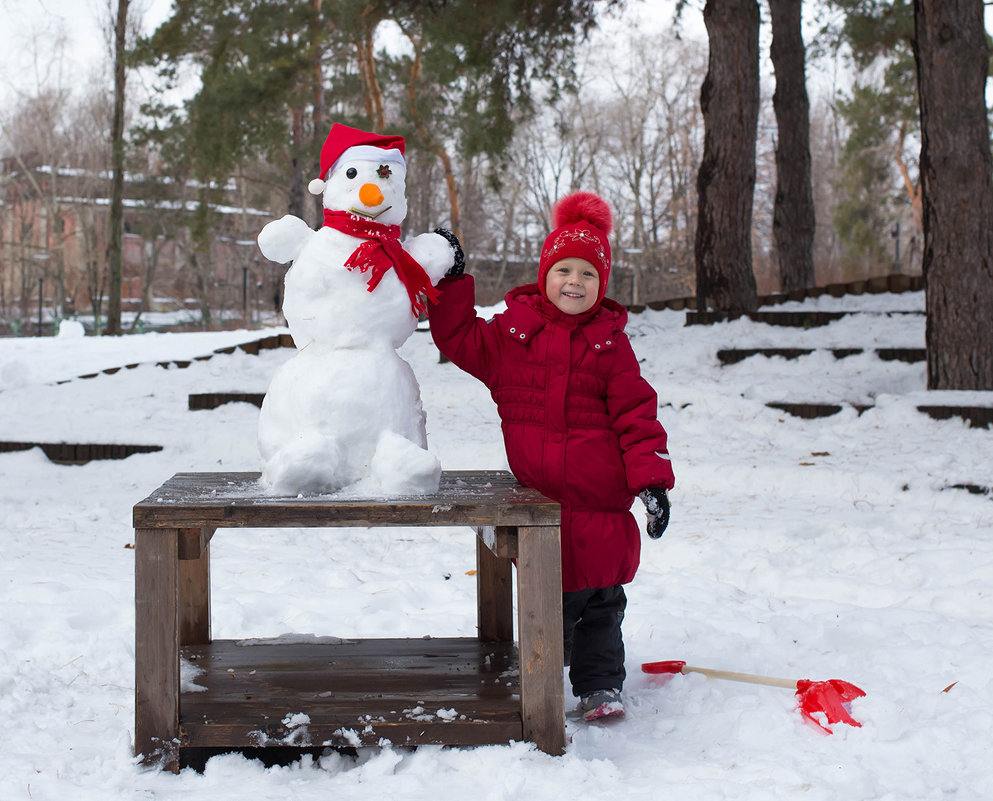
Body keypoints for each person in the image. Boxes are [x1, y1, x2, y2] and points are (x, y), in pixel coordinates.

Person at [429, 192, 675, 722]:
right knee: (551, 606)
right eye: (563, 268)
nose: (575, 281)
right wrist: (451, 282)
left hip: (602, 505)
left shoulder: (611, 347)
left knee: (604, 609)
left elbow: (638, 414)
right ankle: (540, 675)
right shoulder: (513, 336)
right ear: (544, 273)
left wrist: (652, 482)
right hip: (540, 505)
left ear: (601, 285)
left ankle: (601, 686)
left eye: (588, 274)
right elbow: (457, 335)